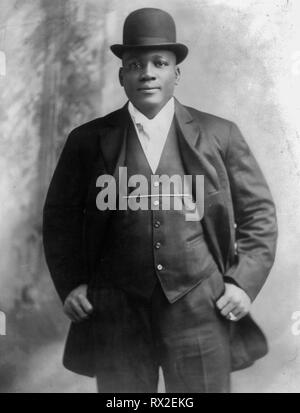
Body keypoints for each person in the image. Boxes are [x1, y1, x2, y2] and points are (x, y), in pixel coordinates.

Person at [43, 8, 278, 393]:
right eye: (135, 64)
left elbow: (259, 215)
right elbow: (59, 219)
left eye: (159, 63)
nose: (147, 72)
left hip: (201, 307)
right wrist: (72, 285)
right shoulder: (87, 141)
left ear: (176, 73)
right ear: (122, 75)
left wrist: (241, 282)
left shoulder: (220, 135)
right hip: (117, 310)